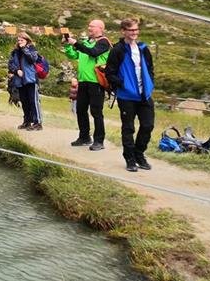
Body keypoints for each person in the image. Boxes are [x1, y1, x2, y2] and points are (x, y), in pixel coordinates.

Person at [105, 18, 155, 173]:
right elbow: (109, 72)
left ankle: (139, 154)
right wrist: (122, 84)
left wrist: (150, 82)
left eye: (136, 30)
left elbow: (150, 67)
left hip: (144, 94)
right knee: (128, 128)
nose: (134, 33)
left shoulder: (143, 48)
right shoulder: (118, 50)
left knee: (148, 125)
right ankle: (130, 159)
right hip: (127, 96)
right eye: (131, 30)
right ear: (123, 31)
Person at [64, 19, 111, 150]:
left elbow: (94, 52)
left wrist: (77, 44)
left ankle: (99, 141)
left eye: (92, 26)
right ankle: (84, 137)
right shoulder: (86, 42)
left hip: (96, 82)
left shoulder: (104, 42)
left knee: (96, 112)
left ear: (100, 28)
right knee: (81, 110)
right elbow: (74, 55)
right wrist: (68, 45)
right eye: (89, 26)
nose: (89, 28)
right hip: (83, 81)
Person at [7, 32, 42, 130]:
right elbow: (10, 64)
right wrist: (16, 70)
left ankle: (37, 123)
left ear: (27, 40)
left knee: (33, 101)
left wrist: (24, 48)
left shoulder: (31, 49)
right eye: (18, 40)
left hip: (31, 79)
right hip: (19, 80)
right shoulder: (14, 52)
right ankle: (27, 121)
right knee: (24, 102)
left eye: (22, 40)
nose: (19, 42)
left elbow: (32, 59)